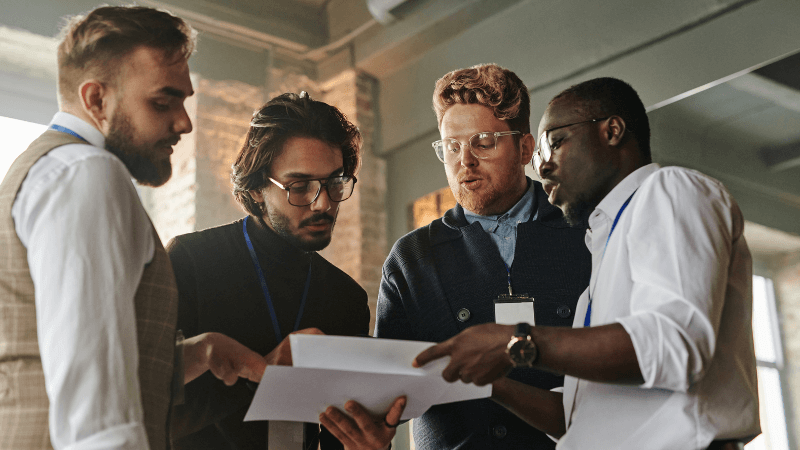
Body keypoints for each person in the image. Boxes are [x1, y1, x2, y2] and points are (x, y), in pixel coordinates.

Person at [414, 77, 760, 450]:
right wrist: (486, 380)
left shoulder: (671, 190)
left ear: (612, 131)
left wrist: (515, 340)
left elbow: (672, 346)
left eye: (555, 143)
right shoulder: (606, 245)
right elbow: (576, 419)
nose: (543, 167)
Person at [0, 6, 267, 449]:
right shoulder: (85, 172)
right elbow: (94, 402)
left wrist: (197, 353)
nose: (185, 122)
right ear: (96, 100)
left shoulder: (42, 169)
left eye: (184, 100)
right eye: (163, 102)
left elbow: (62, 352)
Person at [362, 64, 591, 449]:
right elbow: (387, 395)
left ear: (524, 148)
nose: (464, 161)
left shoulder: (584, 232)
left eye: (483, 142)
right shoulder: (411, 258)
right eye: (452, 146)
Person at [168, 91, 404, 450]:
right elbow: (147, 409)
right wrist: (261, 374)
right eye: (300, 186)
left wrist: (372, 446)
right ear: (258, 188)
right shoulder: (192, 261)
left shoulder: (347, 298)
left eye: (334, 183)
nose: (324, 203)